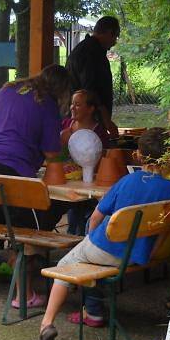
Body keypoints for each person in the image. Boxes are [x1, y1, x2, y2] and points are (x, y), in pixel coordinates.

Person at [37, 128, 170, 340]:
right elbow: (165, 229)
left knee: (66, 265)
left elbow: (95, 217)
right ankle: (92, 310)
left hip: (104, 248)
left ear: (138, 155)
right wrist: (152, 254)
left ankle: (46, 324)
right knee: (89, 262)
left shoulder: (126, 182)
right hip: (136, 255)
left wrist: (90, 238)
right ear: (169, 157)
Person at [0, 64, 72, 305]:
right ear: (62, 90)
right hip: (10, 166)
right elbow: (51, 152)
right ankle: (23, 296)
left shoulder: (9, 89)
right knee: (23, 229)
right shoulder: (47, 104)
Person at [60, 89, 109, 235]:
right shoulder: (65, 125)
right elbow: (57, 158)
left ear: (90, 108)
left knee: (82, 205)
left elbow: (103, 164)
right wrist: (62, 142)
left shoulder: (99, 132)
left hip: (90, 184)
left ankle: (80, 234)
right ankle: (72, 233)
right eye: (72, 104)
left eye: (78, 105)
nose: (72, 108)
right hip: (68, 182)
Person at [65, 16, 120, 139]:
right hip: (87, 123)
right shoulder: (92, 54)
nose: (115, 42)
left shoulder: (86, 48)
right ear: (110, 33)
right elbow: (91, 92)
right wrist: (107, 121)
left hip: (83, 120)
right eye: (115, 36)